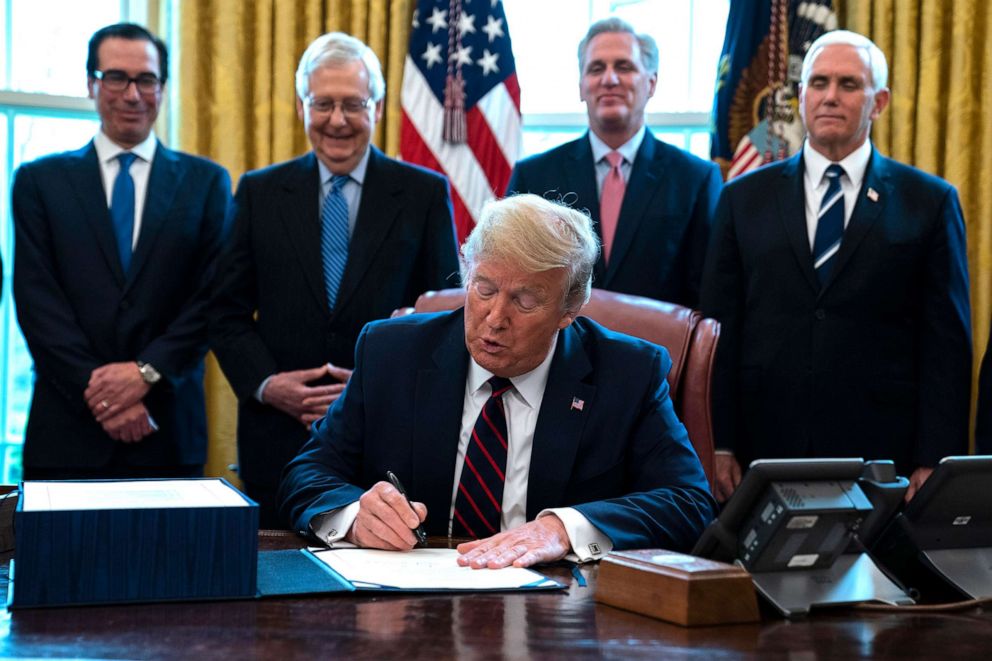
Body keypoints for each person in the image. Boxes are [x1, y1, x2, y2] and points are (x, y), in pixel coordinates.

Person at [278, 193, 716, 568]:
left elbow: (689, 502)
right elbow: (308, 472)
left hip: (560, 613)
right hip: (409, 601)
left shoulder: (627, 374)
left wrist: (562, 529)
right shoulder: (390, 353)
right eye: (484, 289)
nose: (495, 318)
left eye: (525, 300)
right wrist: (355, 516)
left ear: (569, 310)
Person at [700, 30, 972, 503]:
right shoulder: (742, 198)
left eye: (848, 84)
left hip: (883, 453)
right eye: (818, 83)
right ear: (801, 95)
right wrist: (717, 440)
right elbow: (720, 328)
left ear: (879, 101)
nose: (830, 96)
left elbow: (946, 342)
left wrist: (937, 456)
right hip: (762, 446)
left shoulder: (928, 202)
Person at [209, 32, 459, 527]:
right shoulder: (259, 192)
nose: (337, 120)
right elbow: (223, 310)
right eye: (322, 103)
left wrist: (378, 381)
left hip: (389, 441)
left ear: (378, 107)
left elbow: (446, 315)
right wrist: (267, 384)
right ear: (303, 106)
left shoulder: (423, 193)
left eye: (353, 104)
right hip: (277, 438)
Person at [12, 23, 232, 479]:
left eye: (146, 79)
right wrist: (104, 395)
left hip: (168, 430)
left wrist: (146, 372)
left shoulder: (207, 183)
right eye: (116, 77)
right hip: (66, 432)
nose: (132, 94)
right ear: (92, 83)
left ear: (162, 88)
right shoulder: (39, 182)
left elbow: (213, 298)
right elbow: (37, 302)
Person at [505, 18, 721, 308]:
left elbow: (708, 295)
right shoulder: (533, 177)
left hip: (658, 347)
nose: (609, 79)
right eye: (596, 68)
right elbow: (512, 278)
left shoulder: (696, 180)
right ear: (582, 86)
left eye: (624, 66)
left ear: (651, 83)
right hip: (559, 348)